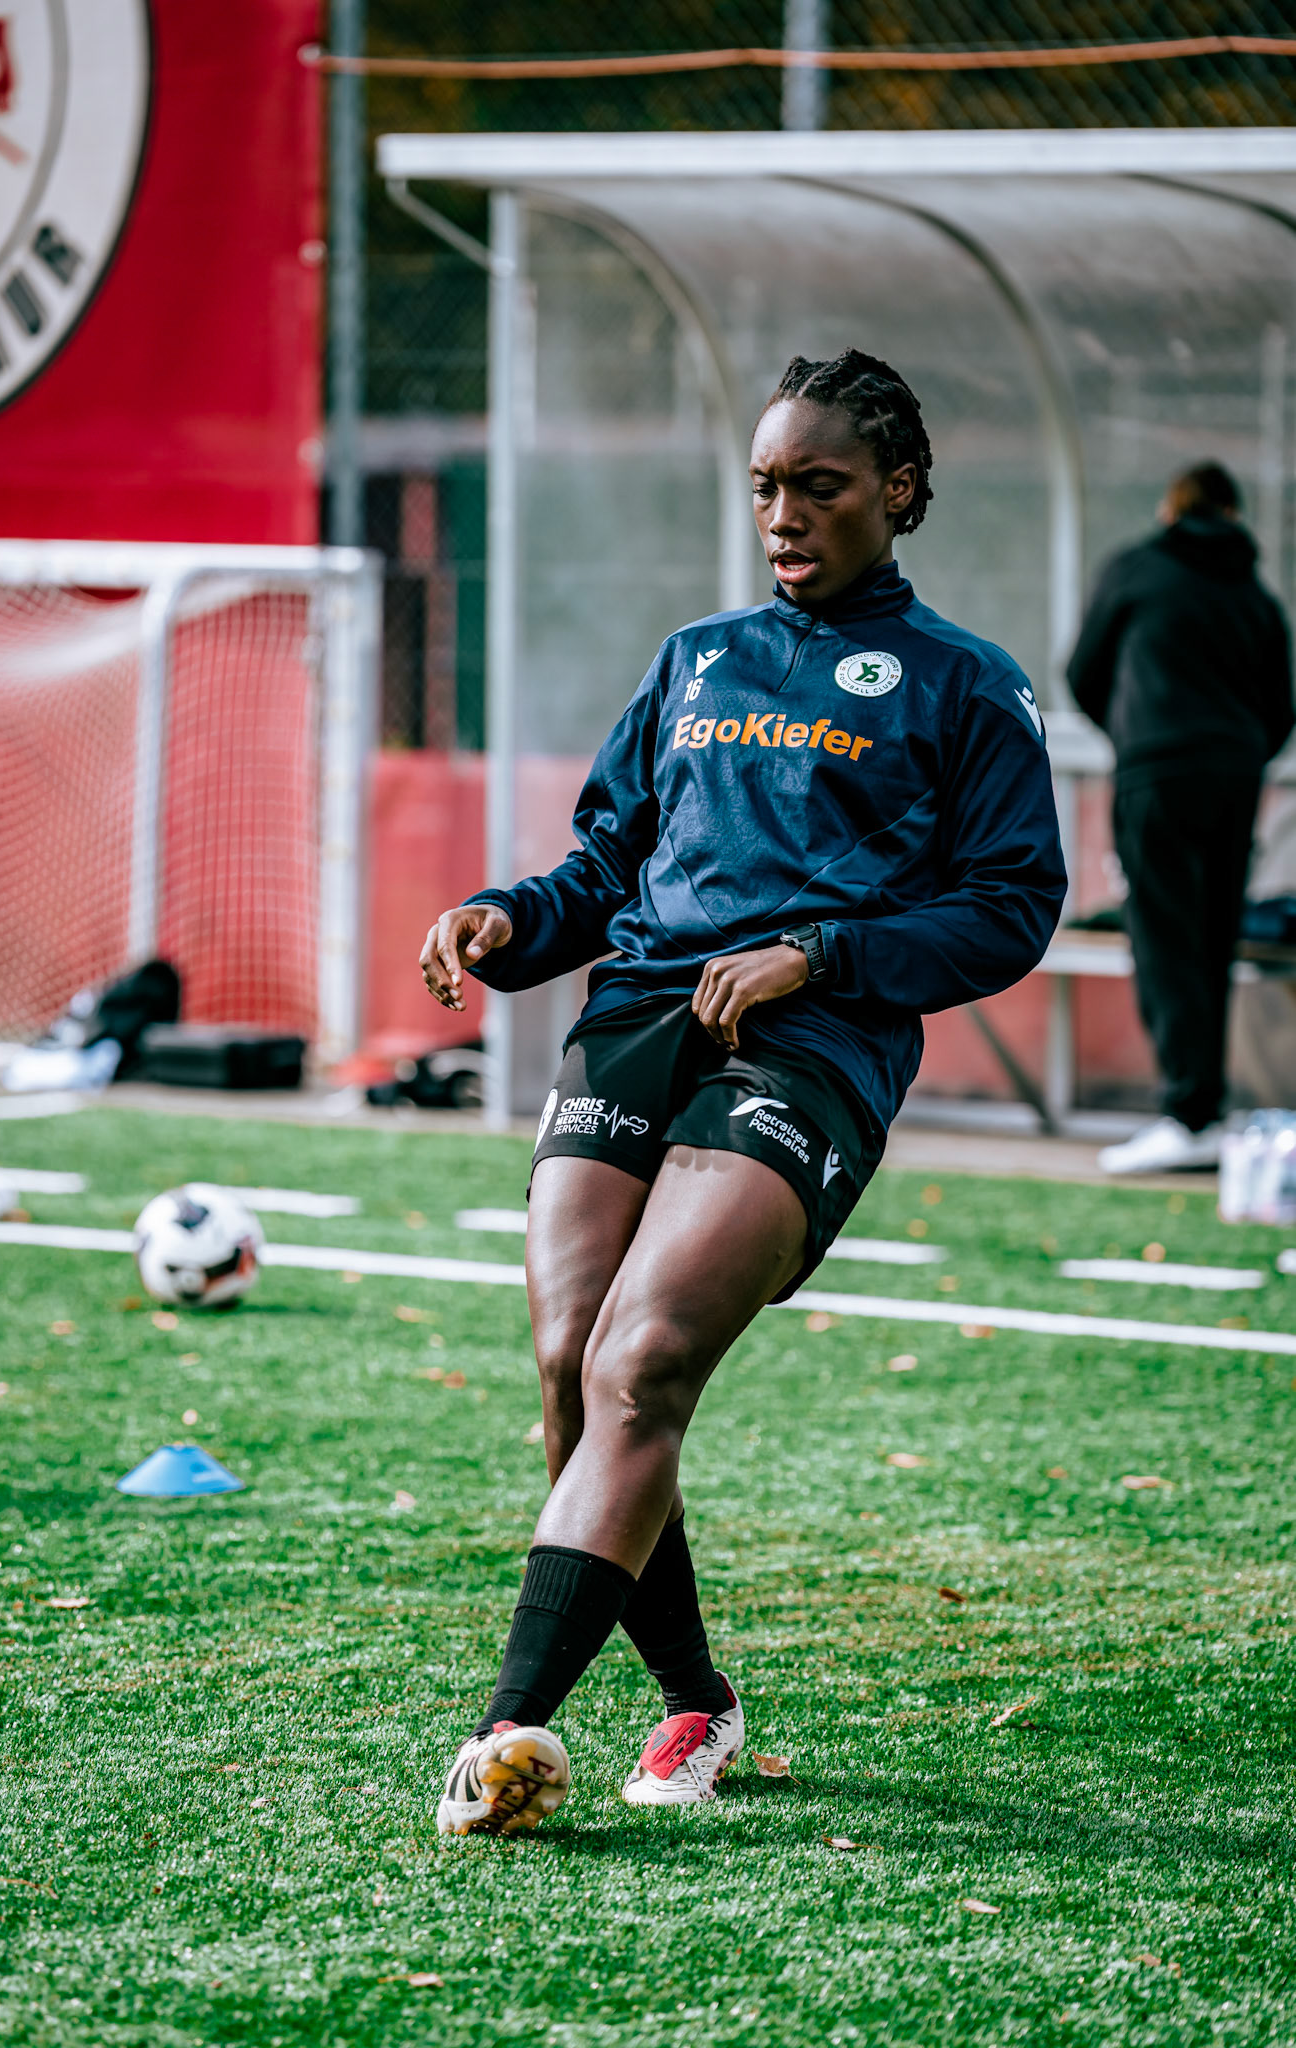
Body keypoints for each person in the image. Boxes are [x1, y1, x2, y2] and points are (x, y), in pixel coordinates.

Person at [419, 350, 1067, 1837]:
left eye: (820, 485)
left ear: (898, 493)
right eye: (767, 485)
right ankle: (691, 1699)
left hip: (807, 1051)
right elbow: (604, 863)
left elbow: (1012, 909)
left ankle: (505, 1729)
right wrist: (510, 917)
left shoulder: (966, 685)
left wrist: (820, 954)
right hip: (641, 1013)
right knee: (569, 1352)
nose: (784, 513)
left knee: (642, 1362)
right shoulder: (695, 659)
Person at [1068, 463, 1294, 1176]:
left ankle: (1188, 1114)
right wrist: (1242, 753)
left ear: (1172, 508)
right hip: (1233, 778)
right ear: (1231, 513)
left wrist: (1135, 736)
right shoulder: (1253, 592)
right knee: (1210, 937)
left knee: (1163, 938)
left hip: (1156, 772)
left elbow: (1081, 670)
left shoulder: (1137, 568)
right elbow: (1280, 703)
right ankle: (1201, 1109)